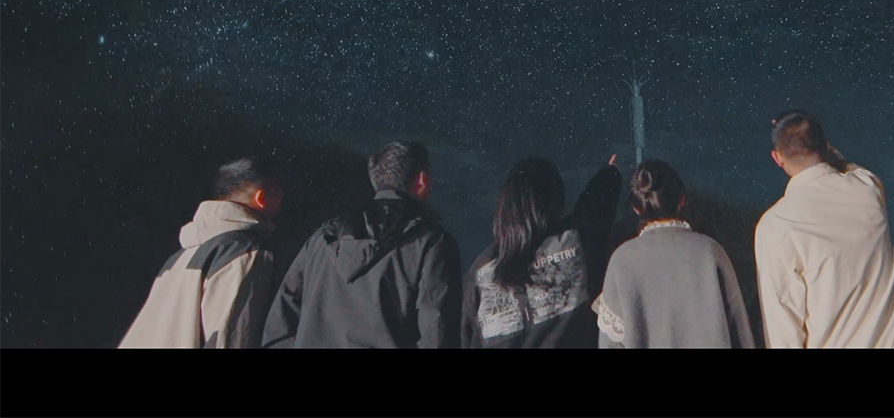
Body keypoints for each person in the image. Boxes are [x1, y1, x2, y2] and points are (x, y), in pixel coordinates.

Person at [755, 109, 894, 348]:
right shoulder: (868, 188)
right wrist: (830, 155)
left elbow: (782, 320)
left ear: (777, 158)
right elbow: (850, 167)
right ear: (825, 146)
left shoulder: (775, 224)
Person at [261, 141, 461, 348]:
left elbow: (279, 323)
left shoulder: (323, 238)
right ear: (422, 180)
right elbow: (438, 334)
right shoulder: (431, 244)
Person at [461, 155, 622, 349]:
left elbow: (466, 337)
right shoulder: (574, 241)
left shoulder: (480, 273)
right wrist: (609, 174)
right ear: (554, 199)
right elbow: (596, 210)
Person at [119, 157, 282, 348]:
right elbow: (231, 337)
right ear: (261, 198)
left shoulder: (179, 258)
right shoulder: (246, 251)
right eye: (279, 189)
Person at [593, 160, 754, 348]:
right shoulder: (710, 252)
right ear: (681, 200)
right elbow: (740, 333)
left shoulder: (622, 260)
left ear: (636, 208)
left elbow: (610, 342)